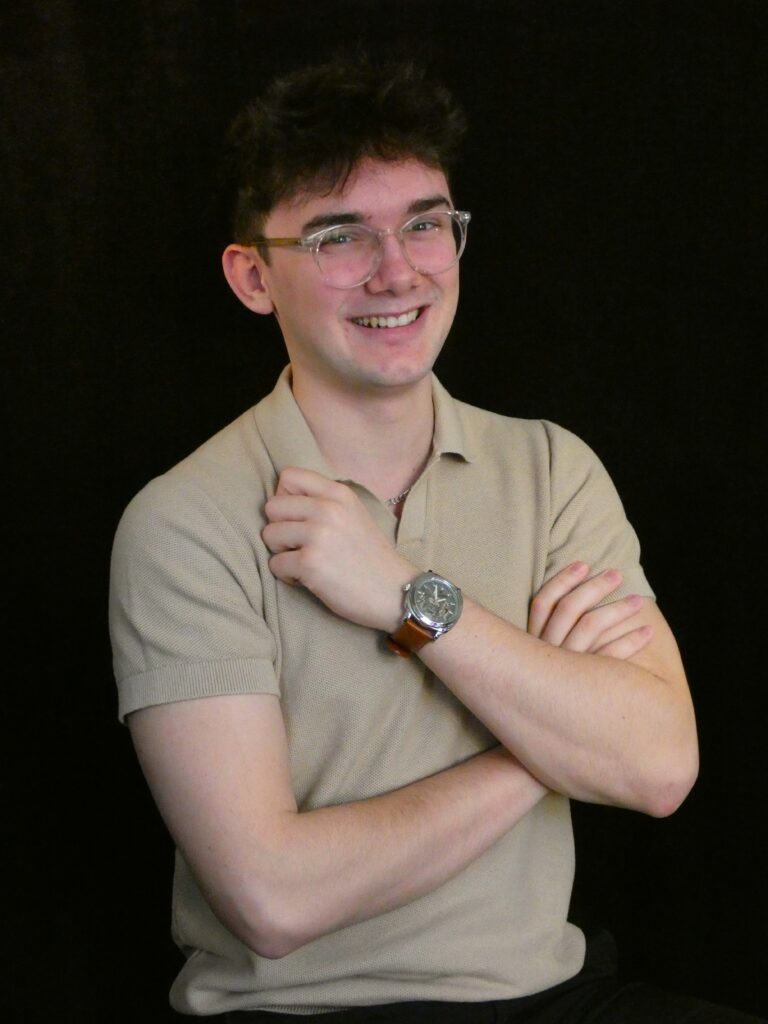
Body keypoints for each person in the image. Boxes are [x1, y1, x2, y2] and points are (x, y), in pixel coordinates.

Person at [109, 59, 761, 1023]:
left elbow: (661, 766)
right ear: (253, 277)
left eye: (425, 223)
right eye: (339, 236)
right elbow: (273, 899)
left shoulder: (552, 469)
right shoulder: (185, 522)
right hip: (307, 1013)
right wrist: (548, 740)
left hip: (553, 997)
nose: (399, 271)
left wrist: (408, 599)